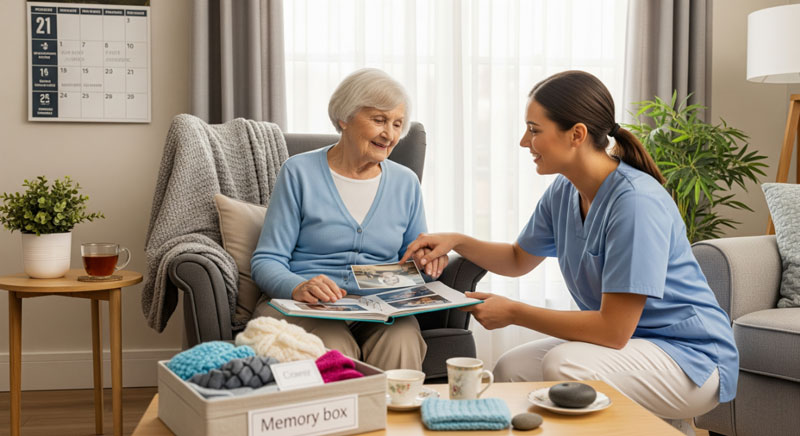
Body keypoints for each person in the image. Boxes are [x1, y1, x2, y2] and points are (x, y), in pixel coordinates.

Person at [401, 70, 738, 428]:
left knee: (565, 364)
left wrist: (514, 312)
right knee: (512, 369)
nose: (524, 142)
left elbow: (613, 330)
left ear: (576, 134)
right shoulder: (565, 191)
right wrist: (457, 240)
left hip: (690, 358)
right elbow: (517, 259)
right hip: (630, 346)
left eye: (534, 130)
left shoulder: (635, 203)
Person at [250, 68, 447, 371]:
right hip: (307, 307)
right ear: (344, 117)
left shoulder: (406, 182)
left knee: (403, 335)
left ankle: (395, 404)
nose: (390, 134)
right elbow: (267, 260)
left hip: (379, 307)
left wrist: (428, 264)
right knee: (332, 344)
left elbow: (413, 266)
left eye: (397, 124)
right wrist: (297, 286)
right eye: (379, 120)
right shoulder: (298, 172)